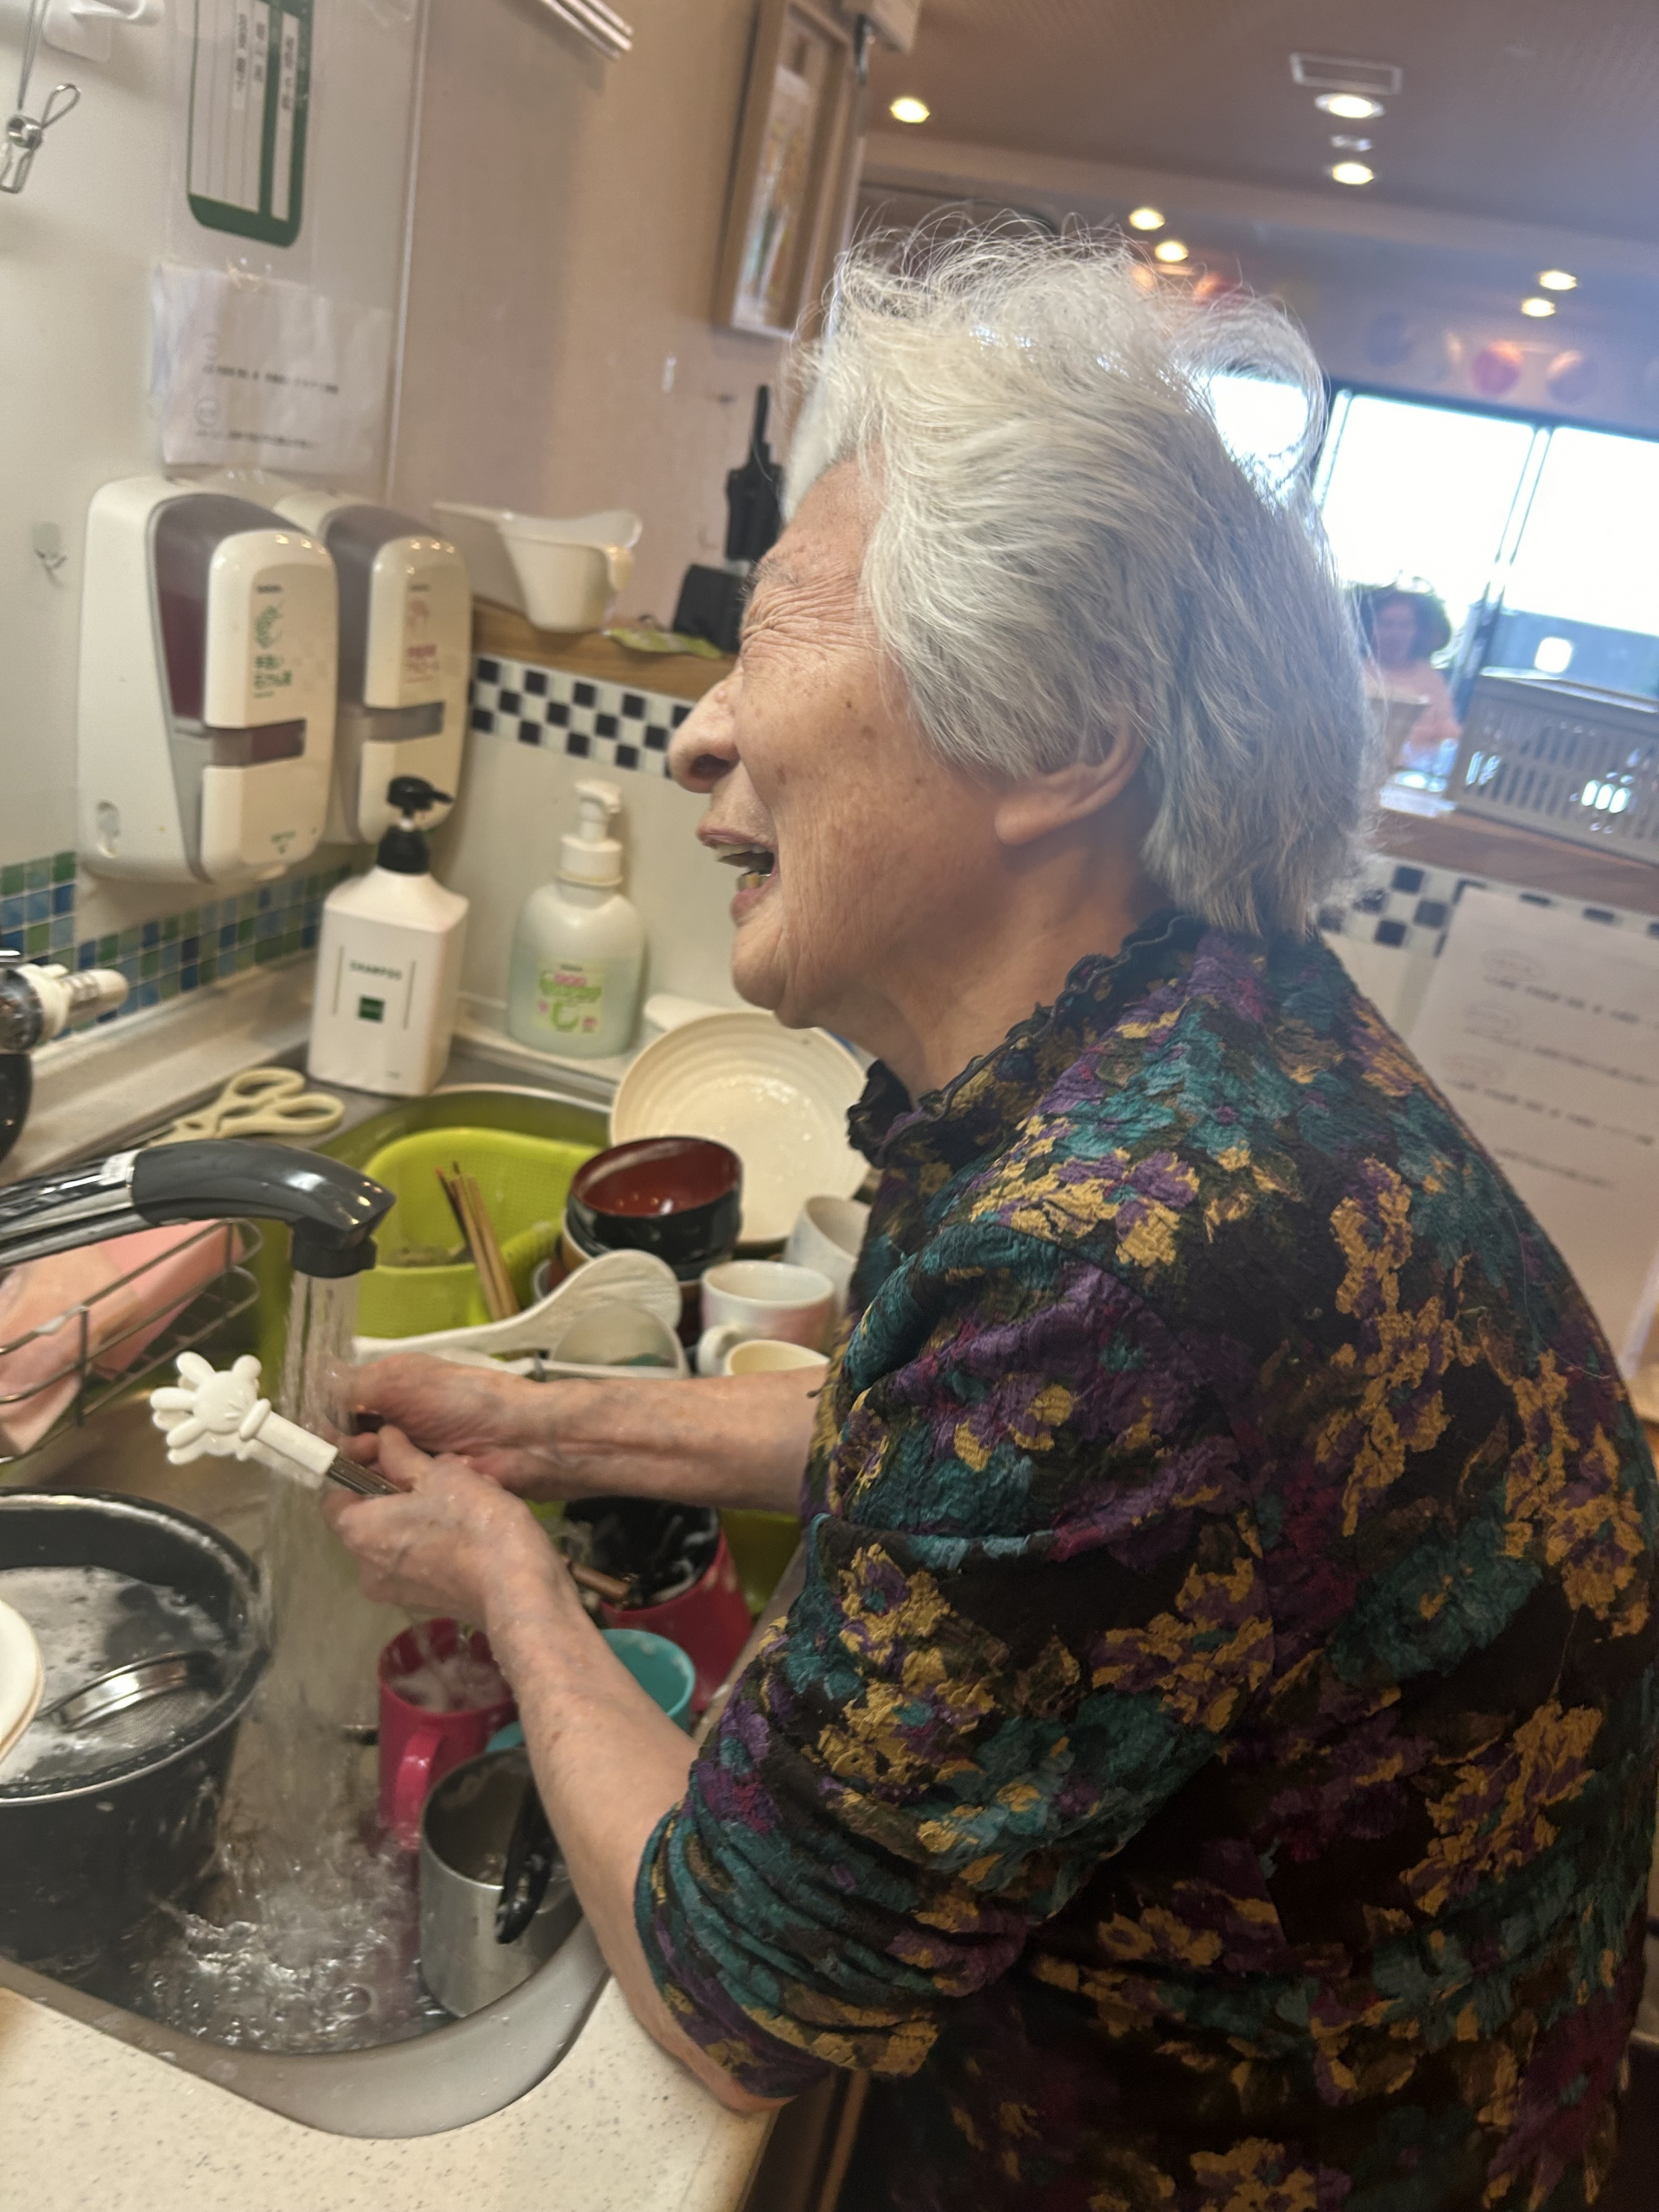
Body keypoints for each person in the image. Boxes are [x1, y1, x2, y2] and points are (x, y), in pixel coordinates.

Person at [328, 236, 1659, 2212]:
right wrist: (544, 1423)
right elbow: (969, 1479)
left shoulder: (1125, 1245)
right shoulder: (1192, 1049)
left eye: (774, 639)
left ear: (1058, 743)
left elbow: (739, 1989)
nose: (696, 734)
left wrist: (508, 1578)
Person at [1358, 585, 1463, 779]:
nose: (1396, 633)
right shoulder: (1355, 672)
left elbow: (1449, 731)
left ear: (1417, 630)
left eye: (1405, 625)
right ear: (1369, 627)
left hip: (1416, 777)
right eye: (1386, 624)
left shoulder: (1430, 677)